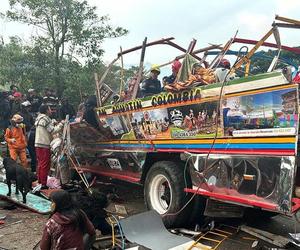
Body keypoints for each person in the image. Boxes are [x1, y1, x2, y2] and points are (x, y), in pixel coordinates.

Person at [35, 105, 64, 189]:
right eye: (50, 109)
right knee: (45, 164)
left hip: (38, 144)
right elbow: (53, 130)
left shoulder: (39, 118)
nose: (51, 111)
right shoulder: (46, 118)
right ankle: (43, 184)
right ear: (46, 110)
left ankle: (40, 181)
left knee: (41, 164)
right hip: (44, 144)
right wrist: (61, 124)